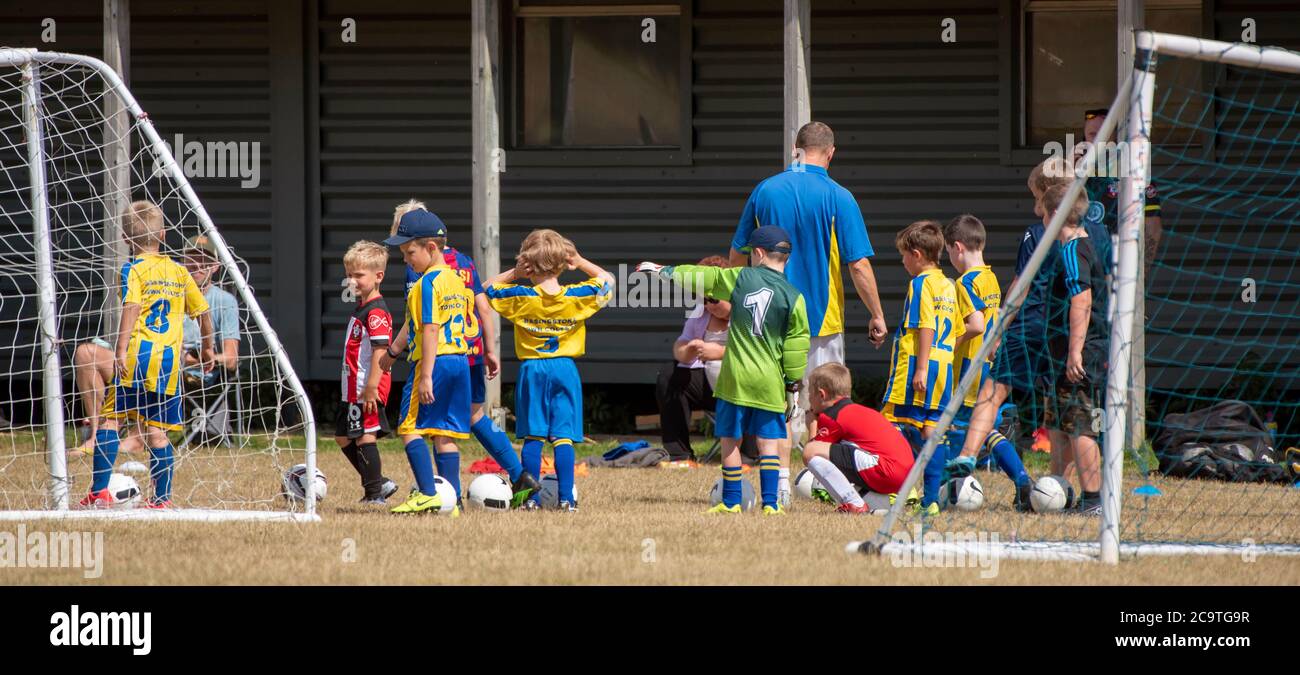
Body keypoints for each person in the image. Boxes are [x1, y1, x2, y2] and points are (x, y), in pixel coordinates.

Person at [729, 121, 888, 488]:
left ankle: (781, 484)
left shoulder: (765, 190)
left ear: (794, 148)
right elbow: (858, 264)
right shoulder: (839, 196)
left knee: (779, 402)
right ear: (831, 154)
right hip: (821, 317)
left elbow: (737, 252)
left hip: (768, 319)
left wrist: (737, 301)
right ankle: (824, 479)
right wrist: (877, 314)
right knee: (828, 404)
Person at [950, 157, 1110, 483]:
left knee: (994, 391)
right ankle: (1058, 485)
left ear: (1049, 196)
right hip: (1073, 333)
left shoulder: (1039, 233)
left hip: (1032, 327)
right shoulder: (1098, 233)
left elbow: (1021, 286)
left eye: (1037, 197)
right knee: (1061, 416)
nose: (1035, 207)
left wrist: (998, 331)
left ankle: (967, 454)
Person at [641, 225, 811, 516]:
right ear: (786, 257)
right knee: (768, 443)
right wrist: (793, 383)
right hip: (768, 379)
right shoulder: (795, 297)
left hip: (735, 377)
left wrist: (663, 271)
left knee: (730, 440)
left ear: (757, 253)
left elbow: (705, 277)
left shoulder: (740, 278)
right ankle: (771, 503)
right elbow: (797, 345)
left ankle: (731, 501)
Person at [389, 200, 540, 508]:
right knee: (468, 418)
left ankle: (443, 495)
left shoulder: (419, 272)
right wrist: (490, 349)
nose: (403, 252)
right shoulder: (462, 263)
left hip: (438, 354)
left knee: (432, 427)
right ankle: (518, 475)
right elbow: (482, 305)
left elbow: (418, 320)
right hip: (467, 352)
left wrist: (394, 351)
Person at [81, 200, 214, 508]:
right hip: (168, 362)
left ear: (126, 240)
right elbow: (204, 313)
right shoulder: (180, 272)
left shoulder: (131, 269)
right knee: (157, 431)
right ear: (164, 234)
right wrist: (208, 347)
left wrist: (120, 348)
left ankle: (98, 492)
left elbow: (132, 307)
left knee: (111, 421)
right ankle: (162, 500)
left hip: (138, 355)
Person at [485, 229, 614, 512]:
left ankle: (530, 499)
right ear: (561, 264)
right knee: (563, 436)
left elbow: (486, 287)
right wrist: (579, 261)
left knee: (534, 435)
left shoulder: (520, 297)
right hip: (565, 369)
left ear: (527, 263)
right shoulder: (577, 297)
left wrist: (514, 274)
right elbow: (608, 281)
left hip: (532, 369)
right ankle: (566, 499)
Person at [381, 209, 478, 516]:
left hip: (433, 363)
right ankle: (454, 502)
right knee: (443, 433)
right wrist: (393, 353)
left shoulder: (425, 284)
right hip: (459, 362)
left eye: (410, 252)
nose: (406, 259)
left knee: (408, 427)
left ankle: (427, 493)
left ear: (431, 248)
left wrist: (425, 376)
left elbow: (429, 328)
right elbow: (416, 325)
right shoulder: (455, 280)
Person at [940, 214, 1033, 509]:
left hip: (969, 369)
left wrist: (947, 345)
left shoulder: (963, 283)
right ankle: (1021, 480)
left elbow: (976, 325)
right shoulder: (990, 278)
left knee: (951, 428)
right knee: (985, 429)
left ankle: (944, 488)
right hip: (991, 366)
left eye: (948, 253)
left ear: (957, 248)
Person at [880, 220, 962, 517]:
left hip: (917, 364)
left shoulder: (920, 284)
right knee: (932, 431)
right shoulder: (948, 284)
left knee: (890, 425)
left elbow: (925, 324)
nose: (903, 262)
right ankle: (931, 499)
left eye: (903, 255)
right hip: (945, 367)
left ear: (916, 254)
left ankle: (899, 491)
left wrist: (922, 367)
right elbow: (963, 327)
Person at [1041, 183, 1108, 515]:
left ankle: (1093, 498)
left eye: (1042, 214)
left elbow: (1082, 300)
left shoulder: (1073, 249)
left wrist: (1075, 352)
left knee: (1080, 423)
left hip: (1081, 351)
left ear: (1054, 215)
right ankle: (1057, 490)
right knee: (1060, 424)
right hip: (1062, 352)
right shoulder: (1080, 246)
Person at [654, 255, 758, 465]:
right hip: (709, 384)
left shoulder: (748, 313)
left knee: (746, 376)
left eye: (713, 299)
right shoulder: (700, 314)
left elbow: (758, 354)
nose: (708, 305)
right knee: (668, 375)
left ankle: (748, 455)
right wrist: (688, 350)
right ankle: (680, 455)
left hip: (742, 384)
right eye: (702, 299)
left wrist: (720, 352)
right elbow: (680, 346)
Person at [801, 363, 914, 514]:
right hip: (906, 477)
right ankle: (876, 504)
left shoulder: (833, 415)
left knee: (812, 452)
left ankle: (854, 503)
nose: (808, 398)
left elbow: (811, 451)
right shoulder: (859, 410)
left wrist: (812, 425)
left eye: (810, 393)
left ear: (822, 394)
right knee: (838, 451)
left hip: (887, 470)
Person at [336, 241, 399, 504]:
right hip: (354, 387)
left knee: (365, 436)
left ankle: (374, 495)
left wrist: (373, 385)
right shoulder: (361, 307)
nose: (352, 281)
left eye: (359, 275)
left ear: (378, 276)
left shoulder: (376, 312)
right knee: (343, 436)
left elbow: (380, 351)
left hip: (367, 386)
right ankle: (379, 483)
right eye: (349, 275)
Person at [1076, 107, 1163, 270]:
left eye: (1103, 133)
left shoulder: (1136, 171)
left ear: (1116, 134)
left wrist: (1143, 269)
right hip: (1080, 270)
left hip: (1121, 273)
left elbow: (1153, 226)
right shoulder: (1073, 174)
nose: (1097, 140)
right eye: (1091, 135)